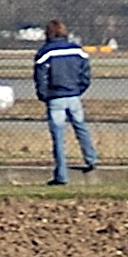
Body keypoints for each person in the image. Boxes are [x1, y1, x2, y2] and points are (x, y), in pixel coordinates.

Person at [33, 19, 98, 185]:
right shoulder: (77, 50)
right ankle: (91, 159)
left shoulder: (45, 53)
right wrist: (79, 89)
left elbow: (40, 77)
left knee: (58, 136)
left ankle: (62, 175)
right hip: (74, 96)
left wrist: (44, 94)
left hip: (55, 98)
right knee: (81, 127)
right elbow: (85, 73)